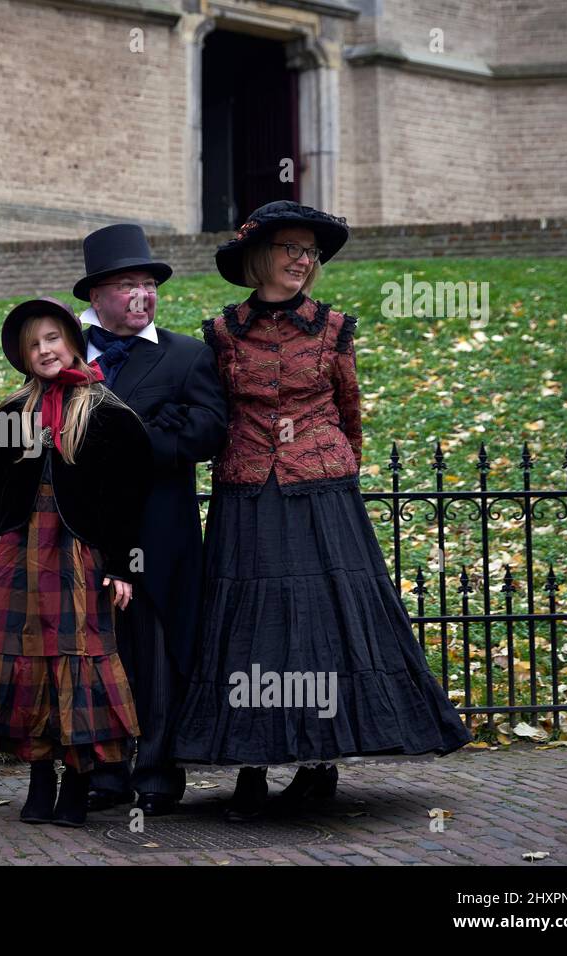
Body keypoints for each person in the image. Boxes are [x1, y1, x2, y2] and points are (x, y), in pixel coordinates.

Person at [172, 200, 473, 821]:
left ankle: (318, 767)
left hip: (320, 488)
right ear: (260, 257)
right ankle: (249, 768)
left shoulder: (334, 328)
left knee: (322, 623)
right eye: (290, 249)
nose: (302, 261)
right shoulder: (224, 332)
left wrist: (332, 461)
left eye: (310, 252)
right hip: (249, 490)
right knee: (249, 626)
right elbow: (217, 410)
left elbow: (349, 408)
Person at [0, 297, 153, 828]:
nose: (44, 349)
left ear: (71, 341)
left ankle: (78, 778)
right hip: (21, 553)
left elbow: (128, 501)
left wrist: (122, 566)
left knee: (78, 659)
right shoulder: (7, 416)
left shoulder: (109, 415)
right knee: (26, 664)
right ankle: (39, 774)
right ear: (23, 355)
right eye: (32, 343)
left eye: (52, 338)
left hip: (80, 555)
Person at [73, 224, 228, 817]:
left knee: (156, 652)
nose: (141, 296)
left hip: (159, 531)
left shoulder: (187, 354)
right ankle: (105, 771)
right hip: (86, 531)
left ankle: (158, 771)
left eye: (147, 285)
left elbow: (210, 428)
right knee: (96, 651)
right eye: (126, 286)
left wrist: (137, 440)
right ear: (97, 296)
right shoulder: (68, 355)